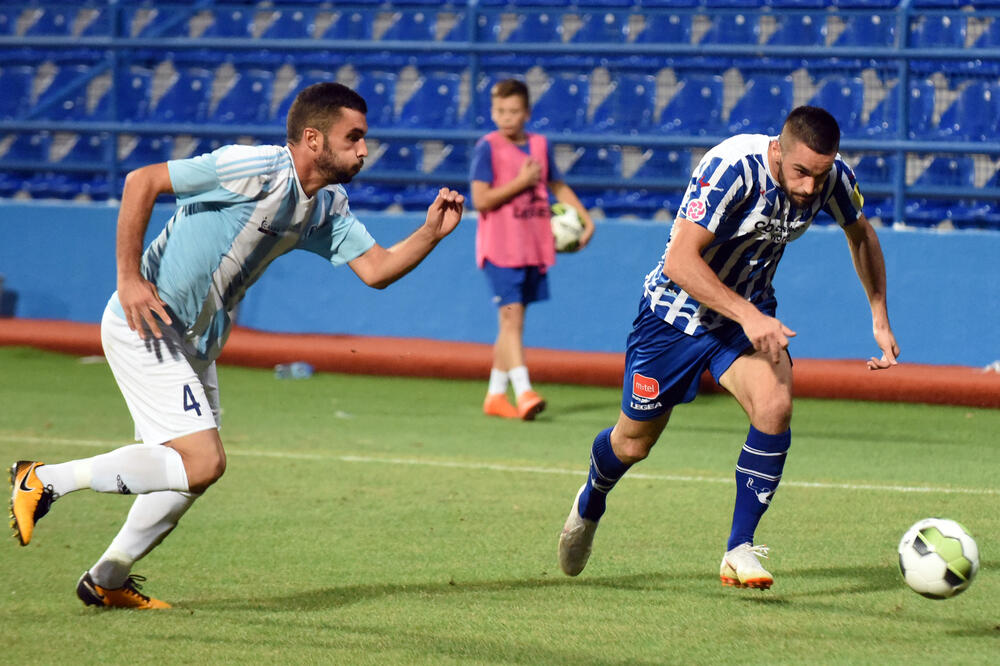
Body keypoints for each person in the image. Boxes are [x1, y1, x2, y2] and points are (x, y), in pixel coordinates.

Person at [9, 82, 465, 609]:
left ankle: (107, 579)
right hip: (147, 323)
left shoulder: (326, 205)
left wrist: (430, 233)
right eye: (354, 137)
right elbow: (142, 180)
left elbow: (377, 270)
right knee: (202, 462)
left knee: (186, 475)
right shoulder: (254, 168)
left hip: (197, 342)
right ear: (313, 139)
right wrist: (129, 279)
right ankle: (44, 480)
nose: (364, 150)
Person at [557, 106, 900, 588]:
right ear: (778, 150)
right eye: (800, 172)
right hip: (674, 317)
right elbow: (679, 260)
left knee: (775, 406)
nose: (808, 189)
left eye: (818, 176)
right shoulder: (732, 168)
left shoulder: (831, 177)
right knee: (633, 444)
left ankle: (739, 548)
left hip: (745, 318)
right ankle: (592, 499)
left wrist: (879, 315)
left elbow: (860, 233)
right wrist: (748, 314)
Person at [470, 78, 595, 421]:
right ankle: (523, 391)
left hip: (532, 246)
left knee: (512, 321)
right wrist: (520, 183)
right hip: (500, 247)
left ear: (526, 112)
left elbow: (556, 184)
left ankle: (495, 394)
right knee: (512, 320)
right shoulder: (488, 148)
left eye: (512, 111)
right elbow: (480, 199)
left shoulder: (540, 145)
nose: (505, 118)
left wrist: (585, 218)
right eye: (498, 111)